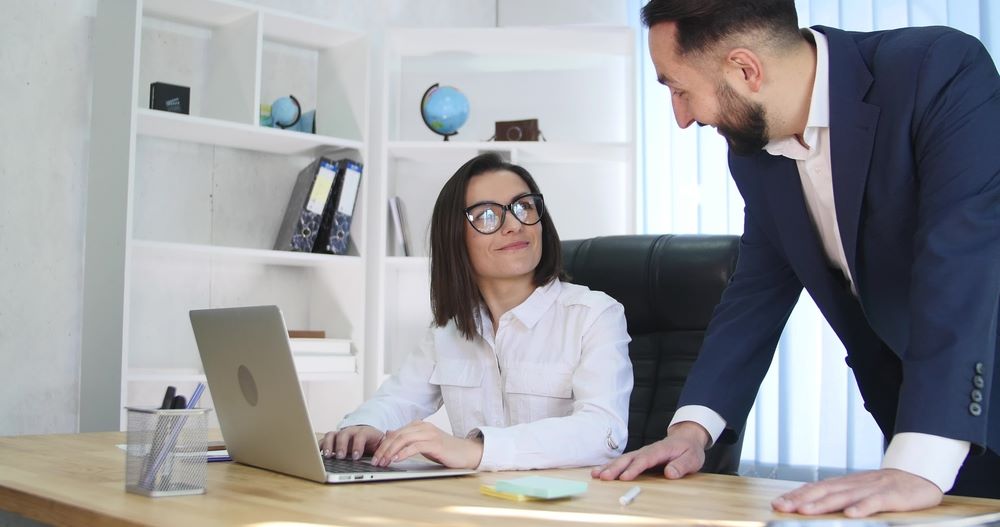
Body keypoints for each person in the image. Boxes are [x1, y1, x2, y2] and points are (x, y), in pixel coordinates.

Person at [593, 0, 1000, 517]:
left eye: (678, 88)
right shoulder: (754, 150)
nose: (681, 117)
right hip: (917, 413)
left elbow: (962, 263)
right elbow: (757, 287)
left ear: (745, 69)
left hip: (962, 396)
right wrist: (693, 429)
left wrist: (920, 460)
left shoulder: (937, 70)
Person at [320, 153, 633, 471]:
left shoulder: (595, 315)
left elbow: (602, 432)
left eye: (524, 207)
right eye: (486, 215)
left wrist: (477, 451)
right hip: (476, 503)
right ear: (455, 239)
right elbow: (399, 399)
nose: (513, 225)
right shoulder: (448, 331)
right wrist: (362, 428)